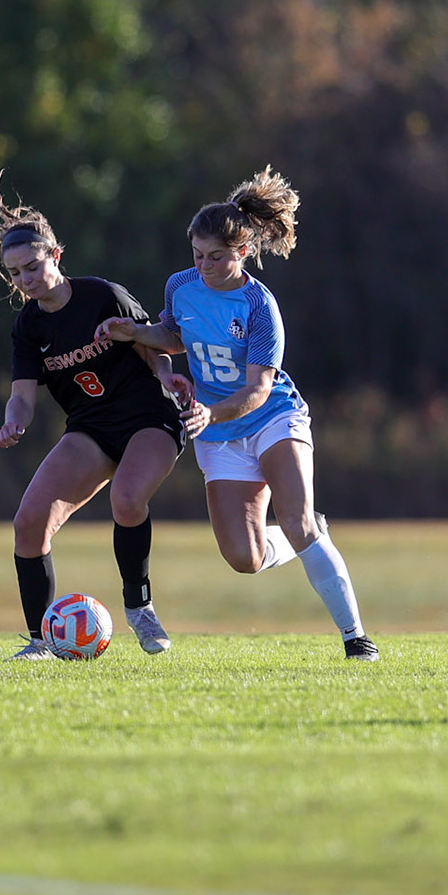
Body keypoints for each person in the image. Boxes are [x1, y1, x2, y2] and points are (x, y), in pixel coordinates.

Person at [96, 166, 378, 661]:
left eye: (217, 257)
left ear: (243, 252)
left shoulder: (258, 304)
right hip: (218, 434)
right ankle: (309, 533)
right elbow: (175, 336)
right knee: (243, 559)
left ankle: (357, 639)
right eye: (198, 256)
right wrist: (135, 333)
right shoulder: (181, 284)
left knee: (296, 520)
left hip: (271, 418)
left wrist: (209, 412)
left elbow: (258, 389)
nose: (204, 266)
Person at [0, 176, 209, 660]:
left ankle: (140, 608)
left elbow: (153, 340)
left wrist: (168, 376)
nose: (25, 280)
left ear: (55, 256)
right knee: (28, 523)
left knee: (127, 499)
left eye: (32, 267)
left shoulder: (102, 295)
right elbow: (22, 395)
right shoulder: (28, 327)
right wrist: (15, 421)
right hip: (91, 428)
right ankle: (39, 641)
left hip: (150, 416)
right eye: (15, 274)